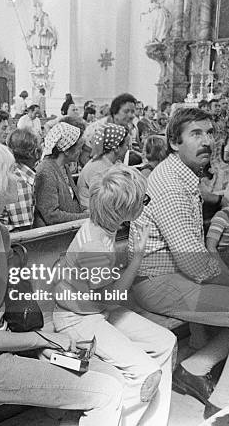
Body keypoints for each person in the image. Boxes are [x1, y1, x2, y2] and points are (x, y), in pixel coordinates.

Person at [0, 139, 123, 426]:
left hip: (3, 343)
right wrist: (45, 339)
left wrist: (41, 345)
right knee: (106, 392)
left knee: (110, 374)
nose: (18, 176)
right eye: (10, 171)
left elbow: (9, 307)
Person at [128, 107, 229, 419]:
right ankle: (221, 402)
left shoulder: (181, 174)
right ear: (174, 142)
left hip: (170, 276)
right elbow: (196, 265)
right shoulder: (171, 186)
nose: (206, 140)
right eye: (196, 134)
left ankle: (196, 367)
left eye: (209, 133)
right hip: (157, 283)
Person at [53, 165, 176, 426]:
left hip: (95, 311)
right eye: (143, 199)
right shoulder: (95, 244)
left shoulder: (103, 226)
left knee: (166, 341)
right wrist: (138, 256)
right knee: (146, 374)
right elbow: (114, 296)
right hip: (78, 320)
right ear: (123, 209)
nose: (146, 203)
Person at [34, 122, 88, 226]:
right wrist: (86, 217)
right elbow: (51, 216)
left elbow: (73, 203)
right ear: (66, 151)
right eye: (79, 148)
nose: (81, 152)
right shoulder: (45, 172)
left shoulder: (64, 166)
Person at [77, 124, 130, 209]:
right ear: (116, 148)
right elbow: (109, 200)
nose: (128, 148)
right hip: (92, 213)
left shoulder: (109, 163)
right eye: (126, 145)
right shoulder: (99, 168)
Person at [0, 129, 38, 231]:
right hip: (10, 241)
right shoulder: (20, 181)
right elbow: (24, 230)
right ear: (33, 152)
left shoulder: (14, 169)